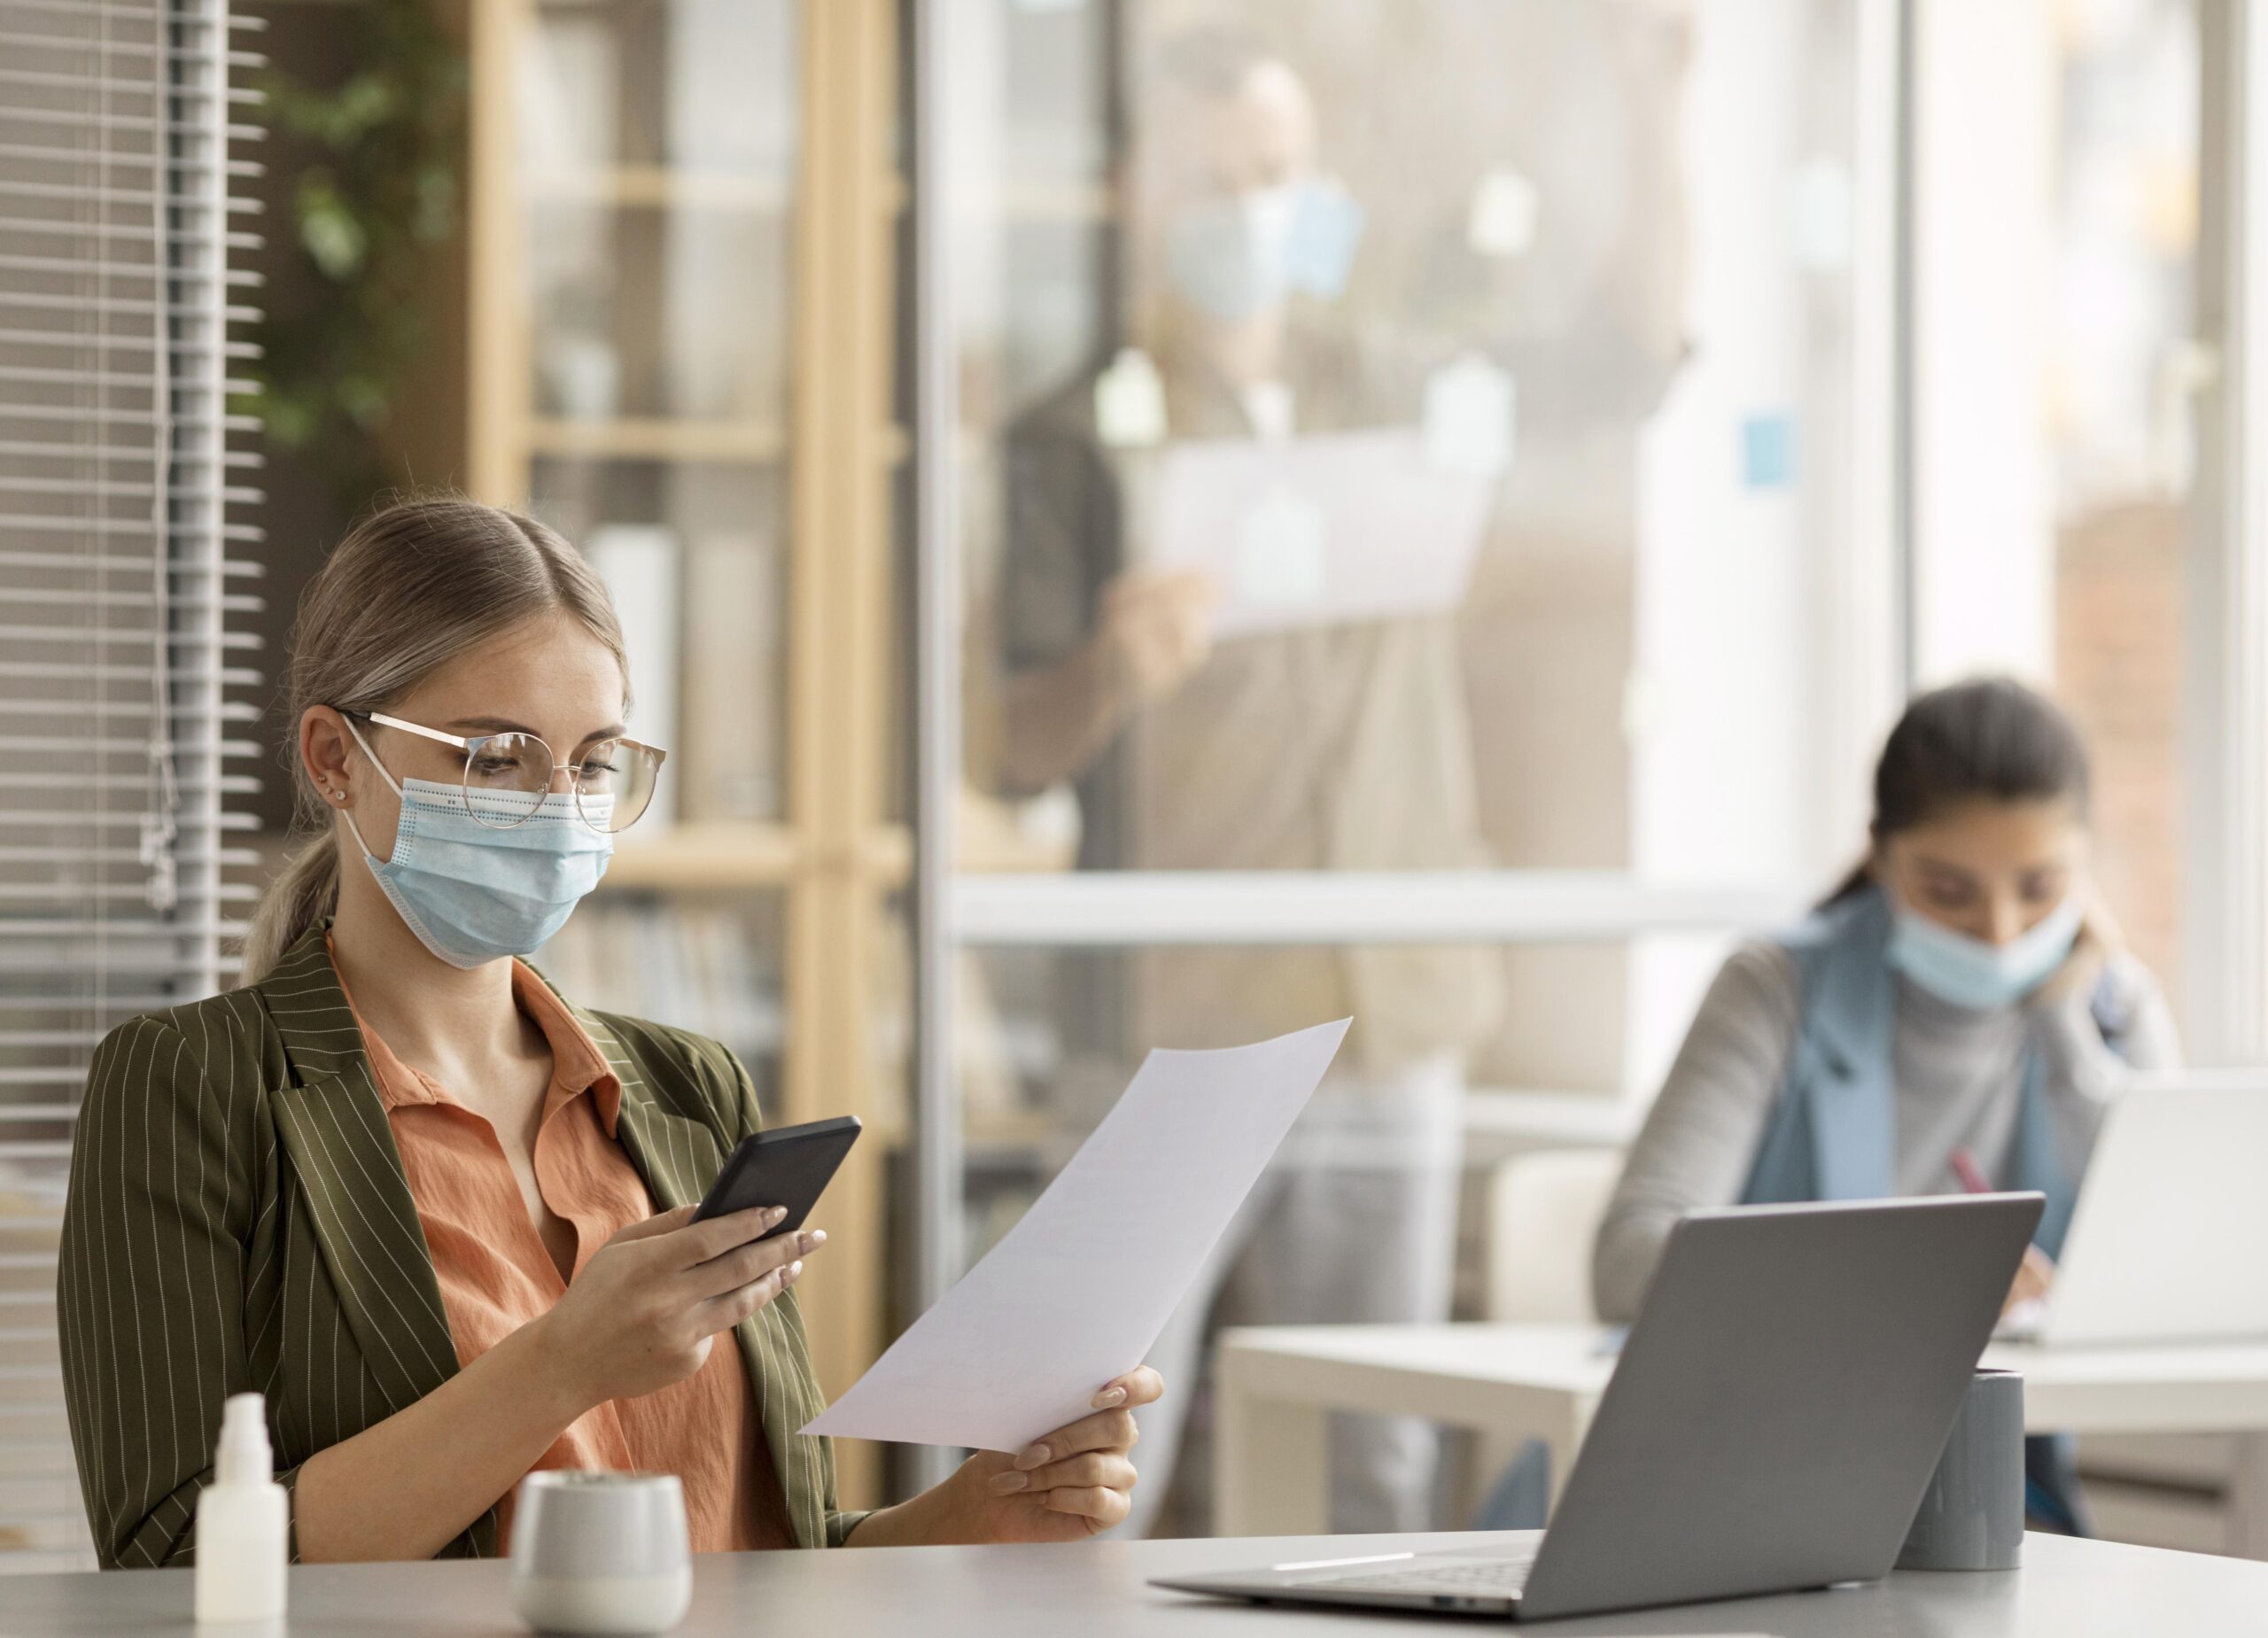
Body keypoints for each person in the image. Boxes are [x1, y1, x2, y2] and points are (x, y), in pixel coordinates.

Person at [57, 496, 1161, 1567]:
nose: (555, 805)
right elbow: (175, 1560)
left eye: (590, 763)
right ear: (336, 758)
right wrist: (561, 1365)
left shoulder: (690, 1089)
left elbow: (765, 1550)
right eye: (495, 756)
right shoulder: (190, 1085)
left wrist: (974, 1512)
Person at [990, 28, 1500, 1536]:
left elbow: (1622, 357)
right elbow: (1005, 746)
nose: (1250, 209)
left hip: (1392, 1002)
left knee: (1379, 1460)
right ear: (1141, 196)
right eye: (1214, 180)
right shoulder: (1071, 436)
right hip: (1174, 1022)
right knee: (1088, 1441)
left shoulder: (1409, 398)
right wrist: (1108, 667)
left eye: (1274, 174)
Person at [1592, 677, 2180, 1533]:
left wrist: (2067, 1036)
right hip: (1734, 1472)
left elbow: (2172, 1257)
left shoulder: (2111, 1004)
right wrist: (1921, 1283)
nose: (2001, 931)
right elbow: (1627, 1259)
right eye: (1949, 889)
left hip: (1989, 1491)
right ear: (1880, 854)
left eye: (2041, 886)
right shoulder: (1777, 985)